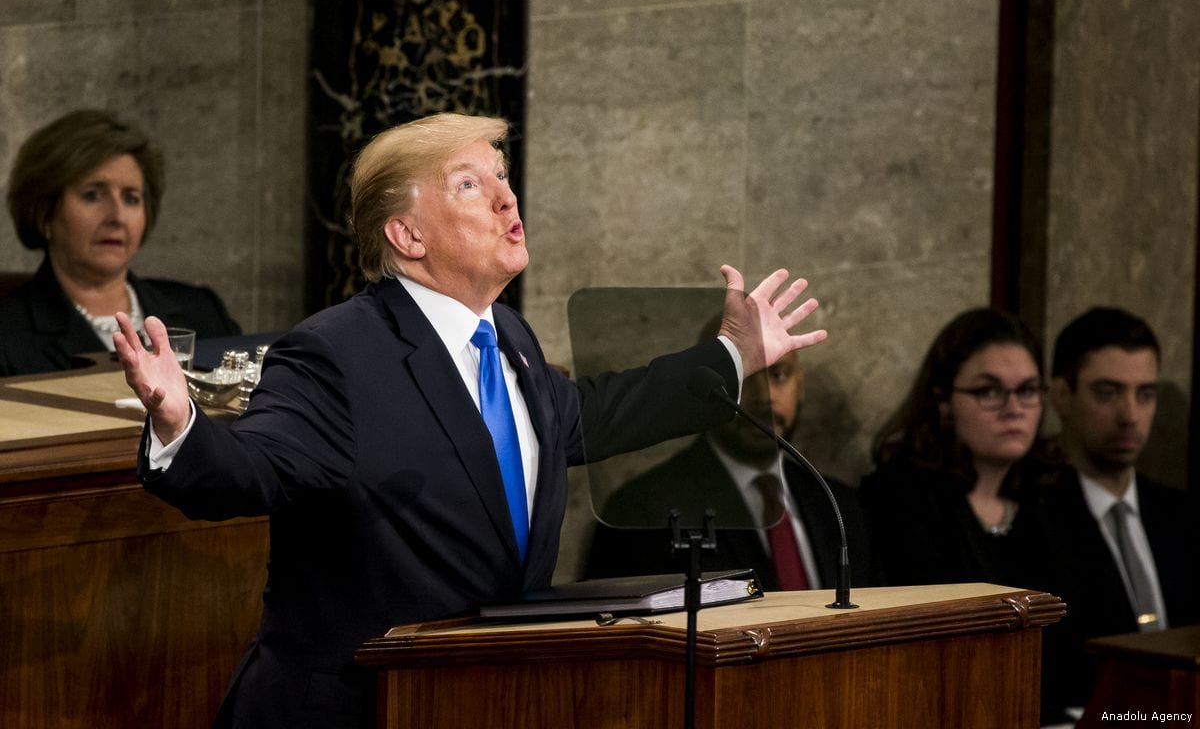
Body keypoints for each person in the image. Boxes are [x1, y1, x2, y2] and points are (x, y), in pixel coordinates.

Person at [112, 112, 828, 729]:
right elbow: (257, 469)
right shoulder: (337, 352)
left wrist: (732, 357)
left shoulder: (510, 338)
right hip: (354, 710)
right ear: (407, 235)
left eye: (502, 177)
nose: (505, 197)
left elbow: (590, 414)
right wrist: (181, 424)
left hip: (482, 699)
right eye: (469, 184)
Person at [585, 330, 875, 592]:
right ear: (705, 390)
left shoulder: (837, 504)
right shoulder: (642, 511)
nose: (764, 398)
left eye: (779, 375)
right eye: (744, 377)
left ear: (801, 386)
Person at [1040, 307, 1200, 714]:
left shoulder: (1180, 515)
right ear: (1061, 395)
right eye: (1108, 393)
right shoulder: (1032, 517)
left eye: (1145, 394)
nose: (1131, 416)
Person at [0, 109, 241, 377]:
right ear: (44, 212)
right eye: (93, 195)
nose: (117, 217)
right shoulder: (7, 335)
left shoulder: (202, 312)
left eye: (131, 198)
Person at [857, 307, 1056, 589]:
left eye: (1027, 391)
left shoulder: (1053, 495)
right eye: (989, 391)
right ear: (943, 401)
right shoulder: (898, 499)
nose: (1014, 409)